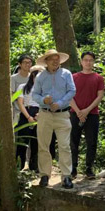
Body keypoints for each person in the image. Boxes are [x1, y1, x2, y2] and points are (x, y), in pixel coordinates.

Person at [32, 49, 76, 189]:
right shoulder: (40, 76)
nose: (55, 61)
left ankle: (66, 176)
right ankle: (44, 175)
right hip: (45, 114)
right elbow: (35, 94)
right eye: (52, 59)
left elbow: (72, 90)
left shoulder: (66, 74)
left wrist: (60, 103)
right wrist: (43, 100)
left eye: (57, 59)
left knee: (64, 146)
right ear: (46, 61)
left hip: (62, 114)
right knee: (43, 146)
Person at [69, 51, 105, 180]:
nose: (88, 62)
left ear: (93, 62)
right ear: (81, 61)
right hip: (75, 113)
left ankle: (89, 168)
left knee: (92, 142)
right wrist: (78, 111)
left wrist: (87, 111)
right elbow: (69, 95)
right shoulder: (73, 77)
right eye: (85, 60)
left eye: (90, 60)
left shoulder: (98, 78)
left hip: (92, 114)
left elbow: (100, 95)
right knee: (73, 142)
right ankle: (73, 168)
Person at [15, 65, 44, 172]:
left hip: (40, 114)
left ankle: (34, 166)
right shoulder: (22, 87)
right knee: (22, 139)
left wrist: (39, 115)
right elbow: (20, 103)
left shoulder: (45, 89)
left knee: (37, 141)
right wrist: (28, 116)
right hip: (26, 113)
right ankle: (19, 164)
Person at [11, 54, 33, 126]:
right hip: (17, 111)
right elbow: (12, 95)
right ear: (19, 64)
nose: (27, 64)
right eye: (25, 62)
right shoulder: (13, 78)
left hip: (31, 110)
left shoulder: (33, 77)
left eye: (29, 62)